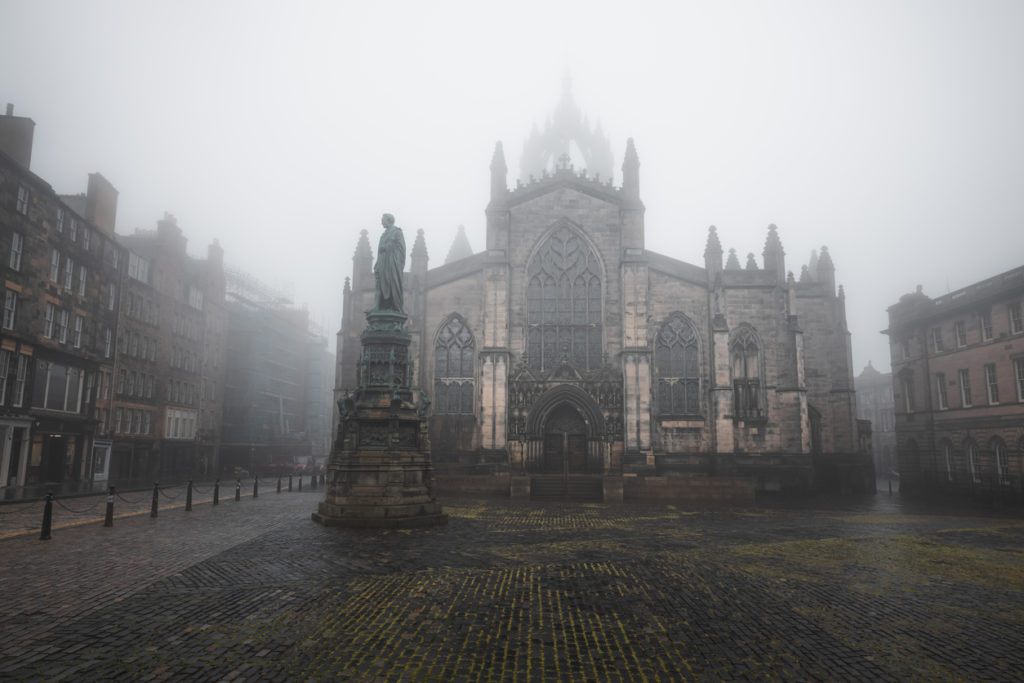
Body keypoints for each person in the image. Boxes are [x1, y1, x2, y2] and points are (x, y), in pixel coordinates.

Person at [374, 213, 406, 312]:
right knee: (380, 284)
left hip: (392, 264)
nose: (381, 222)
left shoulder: (397, 232)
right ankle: (378, 306)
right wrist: (377, 263)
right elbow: (379, 251)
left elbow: (402, 249)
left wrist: (388, 248)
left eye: (382, 220)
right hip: (382, 263)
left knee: (392, 284)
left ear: (388, 220)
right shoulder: (383, 235)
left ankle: (393, 306)